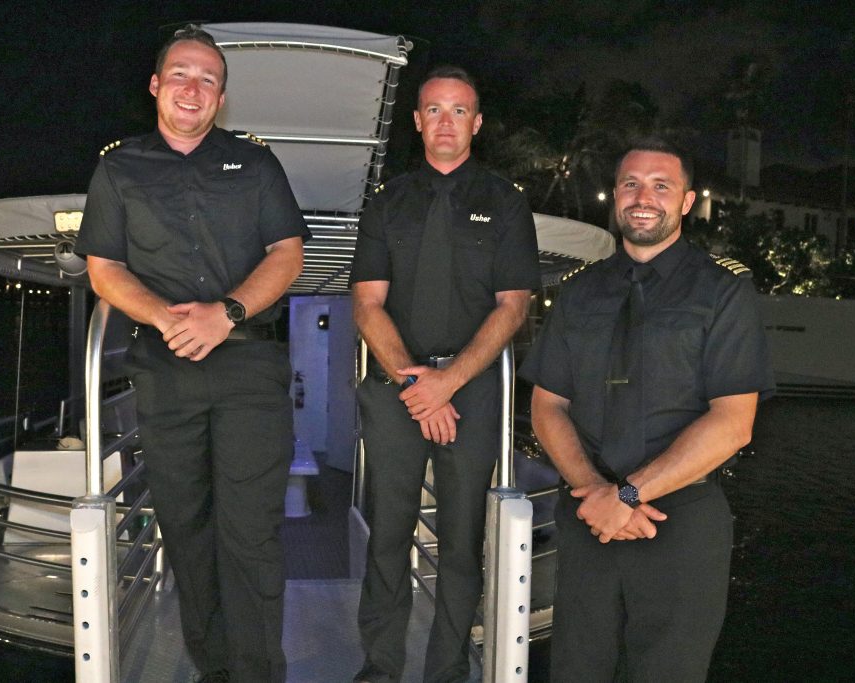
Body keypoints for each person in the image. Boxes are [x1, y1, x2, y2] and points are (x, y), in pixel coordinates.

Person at [75, 25, 309, 683]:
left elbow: (288, 253)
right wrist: (166, 318)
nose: (192, 87)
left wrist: (225, 313)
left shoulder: (256, 164)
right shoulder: (119, 168)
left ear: (221, 97)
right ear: (156, 85)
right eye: (180, 73)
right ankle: (215, 670)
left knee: (251, 534)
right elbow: (104, 268)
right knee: (185, 530)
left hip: (249, 367)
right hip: (166, 368)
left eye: (208, 78)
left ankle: (257, 673)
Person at [520, 137, 774, 682]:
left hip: (681, 521)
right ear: (615, 195)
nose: (643, 197)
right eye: (631, 184)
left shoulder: (723, 291)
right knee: (576, 670)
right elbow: (547, 405)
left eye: (662, 186)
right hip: (588, 517)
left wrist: (628, 496)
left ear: (686, 201)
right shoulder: (579, 292)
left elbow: (734, 422)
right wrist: (596, 493)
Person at [349, 66, 541, 682]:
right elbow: (366, 304)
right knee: (387, 537)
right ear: (417, 120)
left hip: (471, 395)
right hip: (396, 393)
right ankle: (381, 668)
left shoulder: (506, 203)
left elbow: (514, 306)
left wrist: (448, 383)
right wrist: (416, 385)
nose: (445, 122)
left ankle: (448, 670)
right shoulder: (387, 202)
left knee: (462, 543)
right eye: (434, 109)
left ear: (476, 123)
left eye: (459, 111)